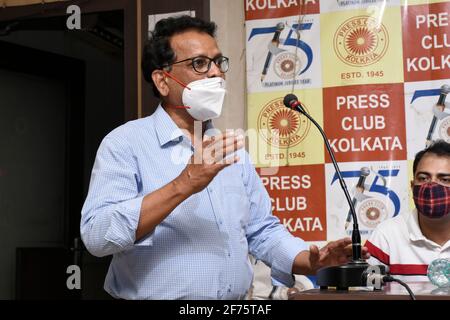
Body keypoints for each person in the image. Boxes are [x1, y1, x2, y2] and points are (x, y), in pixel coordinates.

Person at [80, 15, 368, 300]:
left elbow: (262, 231)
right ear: (162, 81)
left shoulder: (232, 151)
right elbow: (96, 235)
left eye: (219, 62)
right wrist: (183, 185)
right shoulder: (125, 143)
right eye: (200, 63)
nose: (216, 73)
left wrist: (309, 261)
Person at [366, 140, 450, 282]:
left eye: (445, 179)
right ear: (412, 186)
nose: (432, 185)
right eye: (423, 178)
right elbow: (366, 291)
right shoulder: (387, 235)